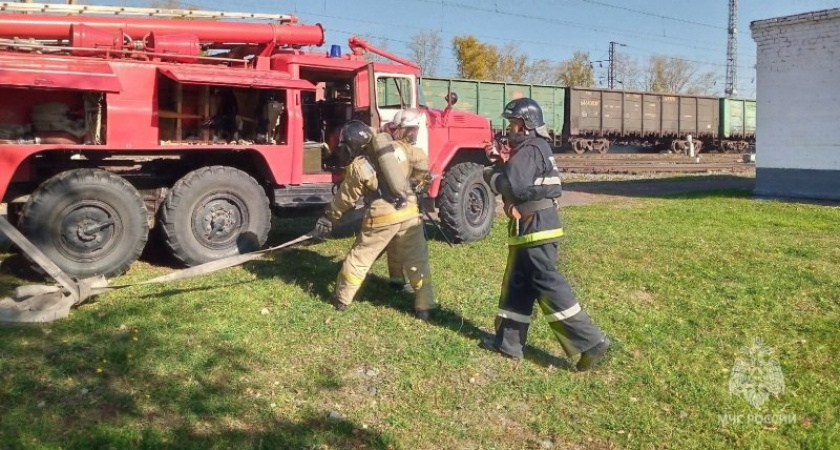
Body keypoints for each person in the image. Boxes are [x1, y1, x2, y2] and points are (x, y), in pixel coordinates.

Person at [480, 98, 611, 371]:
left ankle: (591, 342)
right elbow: (523, 181)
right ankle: (508, 343)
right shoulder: (534, 148)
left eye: (513, 123)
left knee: (547, 283)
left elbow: (514, 187)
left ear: (527, 125)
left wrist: (490, 174)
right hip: (529, 229)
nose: (510, 129)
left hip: (536, 229)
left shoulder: (530, 149)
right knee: (517, 286)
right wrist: (501, 162)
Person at [310, 110, 436, 320]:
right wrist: (417, 184)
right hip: (409, 211)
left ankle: (341, 299)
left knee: (360, 257)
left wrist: (329, 217)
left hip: (382, 217)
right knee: (417, 260)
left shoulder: (360, 166)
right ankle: (424, 307)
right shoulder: (397, 149)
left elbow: (346, 198)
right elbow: (421, 163)